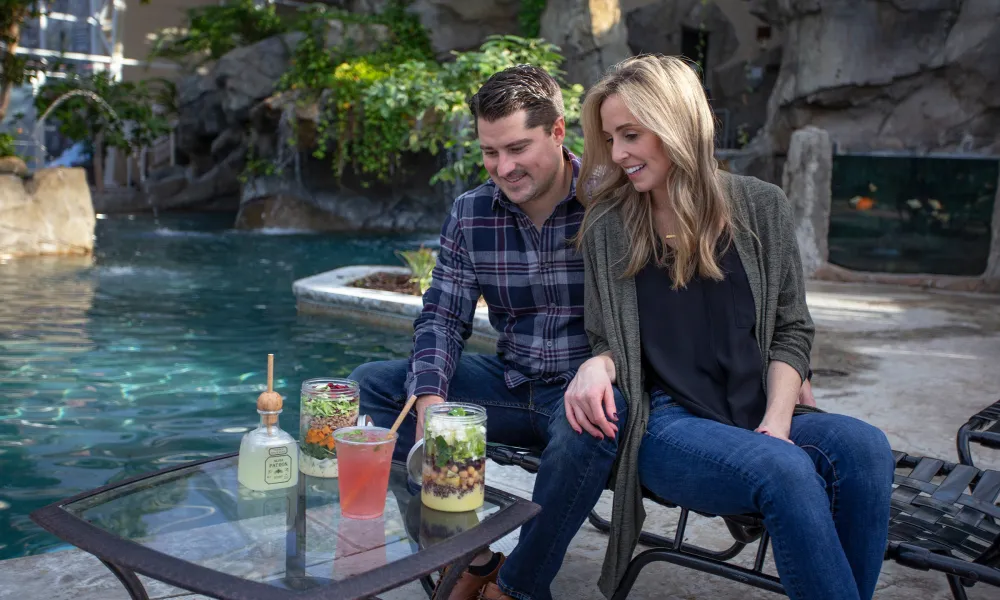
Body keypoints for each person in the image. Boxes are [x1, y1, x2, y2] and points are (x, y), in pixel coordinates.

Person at [567, 54, 895, 600]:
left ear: (677, 124)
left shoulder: (762, 207)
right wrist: (598, 361)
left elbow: (793, 330)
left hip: (752, 409)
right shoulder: (608, 225)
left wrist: (776, 420)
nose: (618, 154)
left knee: (865, 447)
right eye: (610, 137)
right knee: (784, 469)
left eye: (631, 135)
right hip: (667, 426)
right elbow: (605, 336)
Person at [349, 65, 628, 600]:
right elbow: (442, 316)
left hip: (580, 388)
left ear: (558, 131)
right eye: (489, 152)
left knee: (592, 428)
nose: (503, 167)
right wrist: (430, 395)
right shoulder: (471, 211)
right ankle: (468, 559)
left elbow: (649, 315)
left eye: (517, 148)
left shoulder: (612, 203)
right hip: (508, 380)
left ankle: (519, 586)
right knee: (373, 388)